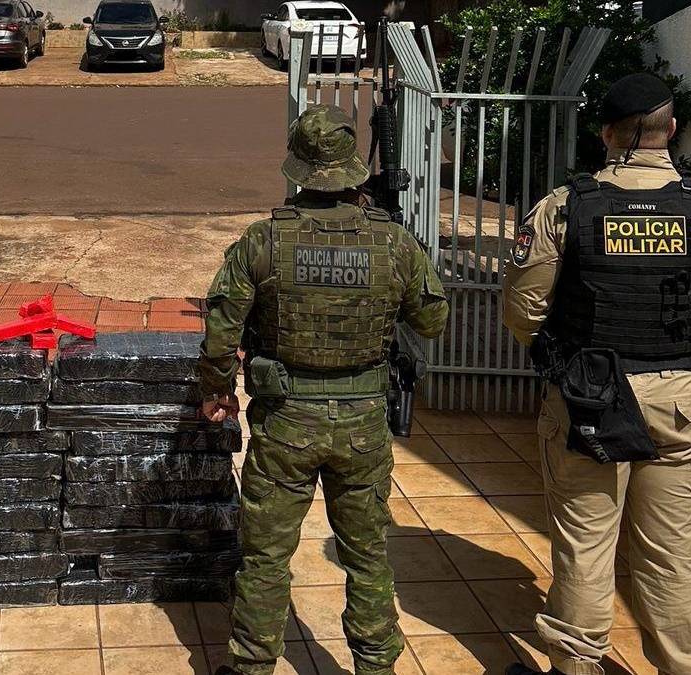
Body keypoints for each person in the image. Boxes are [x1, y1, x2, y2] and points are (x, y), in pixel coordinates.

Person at [502, 72, 691, 675]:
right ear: (671, 129)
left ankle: (576, 666)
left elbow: (521, 310)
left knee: (587, 546)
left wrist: (564, 354)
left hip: (590, 399)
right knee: (672, 552)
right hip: (679, 398)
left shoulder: (565, 209)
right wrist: (688, 350)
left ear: (606, 133)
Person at [199, 104, 450, 675]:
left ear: (299, 169)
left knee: (265, 557)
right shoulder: (393, 241)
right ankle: (376, 666)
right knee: (367, 556)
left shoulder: (262, 241)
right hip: (363, 421)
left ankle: (252, 666)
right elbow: (432, 321)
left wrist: (217, 391)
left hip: (285, 420)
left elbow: (221, 332)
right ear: (352, 170)